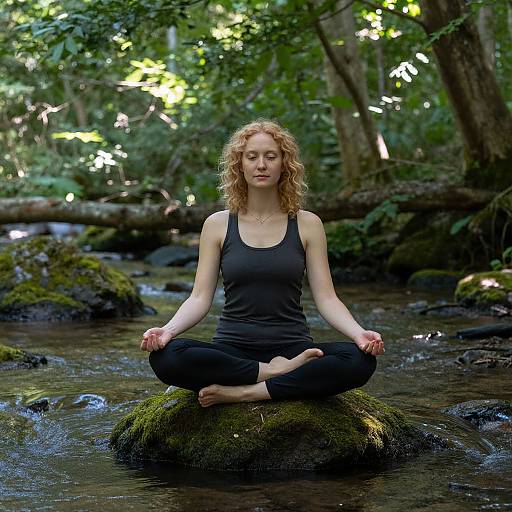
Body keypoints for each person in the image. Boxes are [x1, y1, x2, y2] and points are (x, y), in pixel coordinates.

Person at [140, 119, 384, 408]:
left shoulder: (308, 224)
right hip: (232, 349)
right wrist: (167, 331)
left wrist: (359, 334)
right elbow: (199, 298)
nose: (261, 165)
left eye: (271, 156)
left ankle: (245, 391)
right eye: (252, 156)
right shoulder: (217, 225)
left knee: (359, 361)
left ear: (285, 164)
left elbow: (327, 298)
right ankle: (272, 374)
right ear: (239, 164)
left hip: (294, 347)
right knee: (166, 356)